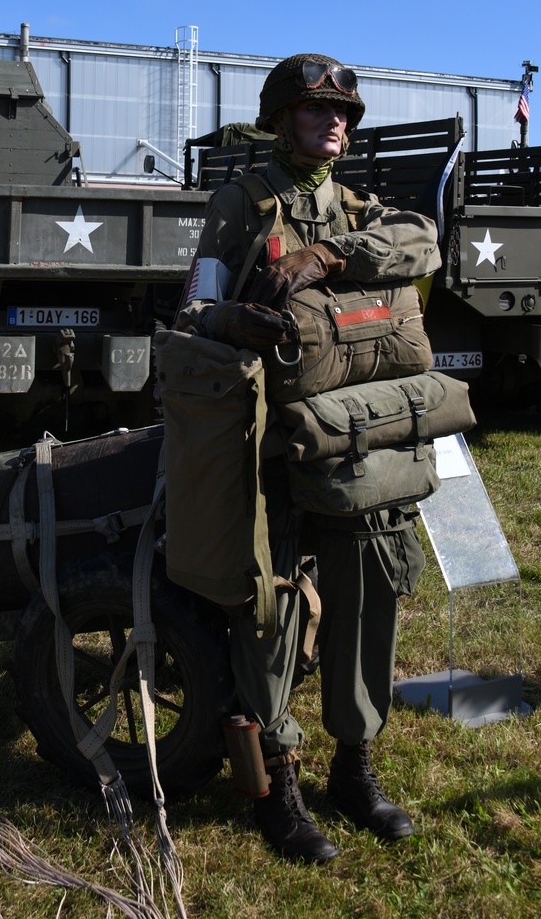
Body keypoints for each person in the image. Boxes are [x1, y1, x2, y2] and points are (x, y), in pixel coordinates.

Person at [177, 52, 441, 863]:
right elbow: (193, 307)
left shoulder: (360, 210)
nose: (335, 122)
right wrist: (233, 324)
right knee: (273, 606)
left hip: (351, 433)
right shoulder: (239, 203)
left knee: (366, 593)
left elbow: (423, 246)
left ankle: (353, 769)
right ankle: (277, 786)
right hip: (266, 436)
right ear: (280, 116)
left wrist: (326, 257)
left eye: (344, 113)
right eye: (316, 109)